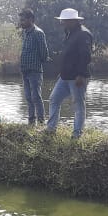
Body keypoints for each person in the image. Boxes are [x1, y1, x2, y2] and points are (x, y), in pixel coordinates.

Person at [45, 8, 93, 138]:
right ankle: (51, 128)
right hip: (65, 76)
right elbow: (68, 56)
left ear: (72, 21)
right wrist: (62, 72)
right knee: (54, 99)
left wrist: (81, 75)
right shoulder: (70, 33)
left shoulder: (83, 34)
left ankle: (77, 134)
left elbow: (85, 56)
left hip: (77, 77)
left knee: (78, 105)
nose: (62, 23)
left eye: (64, 21)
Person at [18, 8, 49, 125]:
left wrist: (37, 62)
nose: (21, 23)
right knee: (28, 97)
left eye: (23, 20)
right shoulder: (25, 32)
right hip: (25, 70)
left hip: (35, 70)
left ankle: (41, 122)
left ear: (31, 19)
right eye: (20, 20)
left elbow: (44, 53)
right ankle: (31, 121)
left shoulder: (38, 33)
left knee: (36, 96)